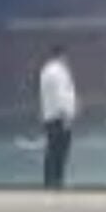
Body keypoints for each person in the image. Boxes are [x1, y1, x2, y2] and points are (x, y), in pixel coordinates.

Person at [37, 45, 77, 189]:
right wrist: (66, 115)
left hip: (49, 115)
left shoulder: (45, 71)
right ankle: (58, 180)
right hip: (59, 117)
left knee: (51, 149)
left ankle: (49, 180)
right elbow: (61, 94)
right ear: (62, 56)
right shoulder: (60, 72)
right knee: (60, 150)